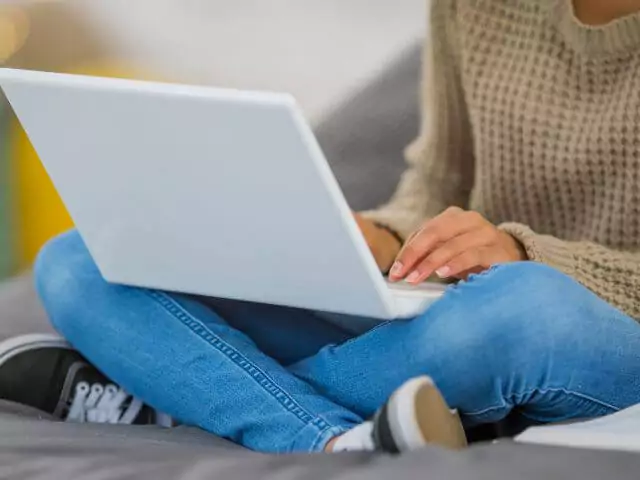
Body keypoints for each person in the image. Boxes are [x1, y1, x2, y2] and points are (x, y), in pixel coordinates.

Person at [6, 0, 640, 454]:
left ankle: (180, 400)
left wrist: (525, 252)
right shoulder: (475, 7)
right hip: (451, 306)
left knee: (524, 310)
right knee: (84, 258)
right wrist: (380, 237)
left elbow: (523, 291)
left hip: (570, 328)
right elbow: (438, 183)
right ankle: (333, 438)